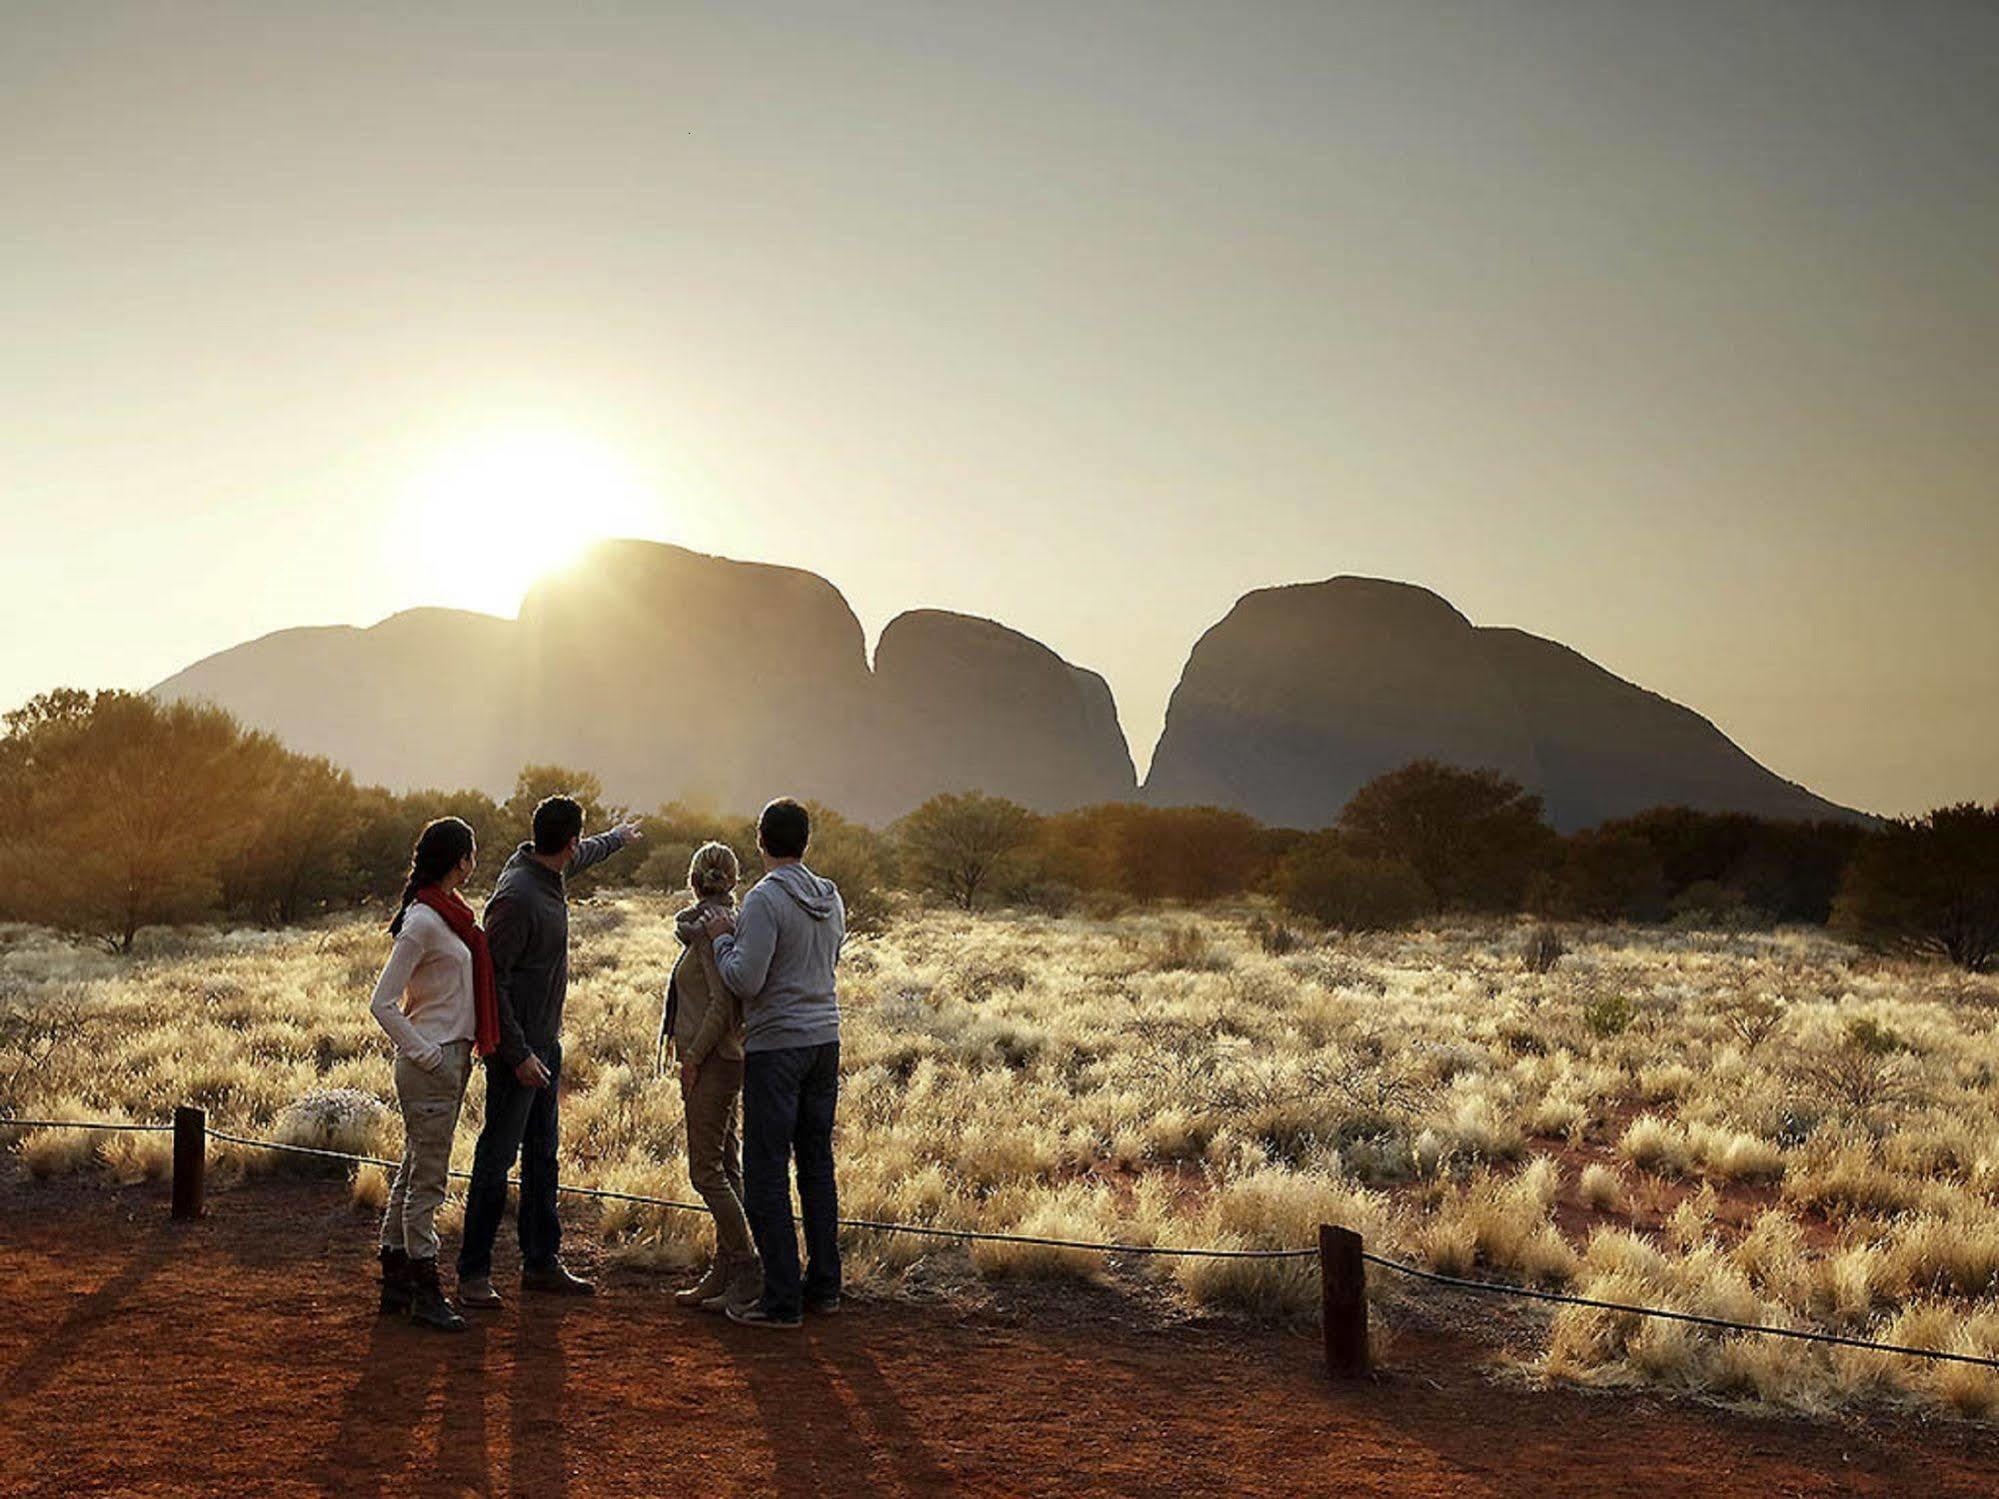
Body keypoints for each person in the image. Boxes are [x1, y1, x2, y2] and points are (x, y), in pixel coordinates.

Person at [455, 795, 642, 1306]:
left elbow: (584, 856)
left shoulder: (546, 869)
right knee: (498, 1156)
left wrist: (618, 839)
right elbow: (493, 983)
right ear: (570, 841)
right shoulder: (517, 898)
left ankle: (541, 1262)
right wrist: (517, 1056)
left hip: (544, 1043)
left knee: (543, 1156)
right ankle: (473, 1273)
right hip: (519, 1051)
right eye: (581, 840)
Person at [703, 797, 845, 1330]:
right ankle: (824, 1287)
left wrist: (721, 942)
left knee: (765, 1171)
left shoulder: (764, 900)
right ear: (806, 842)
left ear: (760, 840)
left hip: (776, 1047)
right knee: (816, 1167)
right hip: (825, 1041)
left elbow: (747, 979)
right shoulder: (831, 897)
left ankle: (780, 1299)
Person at [368, 816, 499, 1333]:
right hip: (434, 1062)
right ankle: (424, 1288)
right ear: (459, 860)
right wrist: (427, 1054)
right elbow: (382, 1003)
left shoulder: (445, 915)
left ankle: (397, 1279)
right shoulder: (424, 921)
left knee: (413, 1168)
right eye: (471, 853)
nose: (474, 861)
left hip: (447, 1059)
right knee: (428, 1178)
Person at [662, 841, 761, 1313]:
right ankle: (726, 1270)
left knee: (705, 1171)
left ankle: (746, 1266)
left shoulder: (705, 930)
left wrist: (693, 1058)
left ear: (693, 878)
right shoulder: (731, 923)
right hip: (729, 1057)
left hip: (714, 1059)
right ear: (734, 879)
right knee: (727, 1164)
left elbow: (721, 1004)